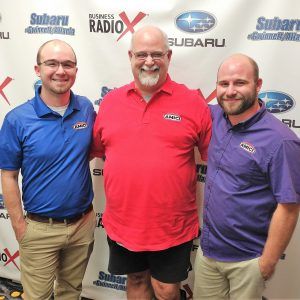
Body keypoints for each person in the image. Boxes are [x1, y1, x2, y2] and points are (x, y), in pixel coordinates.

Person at [91, 25, 212, 300]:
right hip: (124, 222)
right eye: (142, 54)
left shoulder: (193, 102)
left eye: (156, 54)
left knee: (167, 289)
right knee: (135, 280)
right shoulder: (110, 102)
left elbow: (212, 157)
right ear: (131, 56)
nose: (149, 62)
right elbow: (98, 150)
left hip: (172, 225)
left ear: (168, 56)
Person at [193, 53, 300, 299]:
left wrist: (266, 264)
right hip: (208, 253)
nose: (230, 91)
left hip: (248, 260)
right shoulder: (216, 117)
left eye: (240, 83)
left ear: (258, 85)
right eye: (224, 84)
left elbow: (289, 207)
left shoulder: (281, 141)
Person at [0, 39, 96, 300]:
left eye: (68, 64)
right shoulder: (17, 119)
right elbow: (8, 175)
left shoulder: (86, 109)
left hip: (82, 225)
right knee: (37, 297)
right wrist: (20, 226)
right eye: (52, 63)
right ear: (37, 69)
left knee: (71, 293)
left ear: (76, 70)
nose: (60, 70)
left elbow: (95, 149)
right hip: (40, 229)